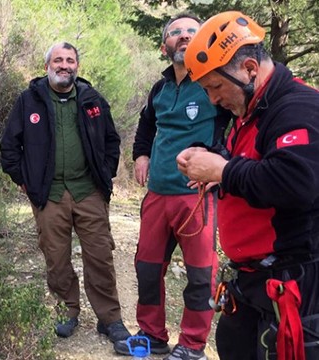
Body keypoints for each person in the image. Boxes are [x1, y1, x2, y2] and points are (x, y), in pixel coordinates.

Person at [178, 11, 319, 360]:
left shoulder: (299, 108)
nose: (212, 100)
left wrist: (223, 171)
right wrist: (213, 167)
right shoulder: (252, 109)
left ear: (250, 70)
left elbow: (295, 182)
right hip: (253, 280)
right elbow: (254, 164)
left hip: (295, 280)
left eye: (215, 87)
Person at [113, 14, 231, 360]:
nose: (183, 36)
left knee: (199, 274)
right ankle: (152, 335)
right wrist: (141, 155)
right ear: (165, 46)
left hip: (197, 197)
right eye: (175, 32)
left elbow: (233, 129)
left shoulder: (214, 82)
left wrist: (219, 164)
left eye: (191, 32)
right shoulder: (160, 88)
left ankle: (192, 345)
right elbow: (146, 125)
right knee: (147, 268)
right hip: (157, 195)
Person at [0, 42, 130, 342]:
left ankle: (109, 319)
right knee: (56, 258)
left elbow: (112, 141)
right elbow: (9, 146)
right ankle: (67, 312)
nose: (64, 65)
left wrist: (104, 173)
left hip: (89, 192)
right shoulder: (29, 100)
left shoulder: (92, 98)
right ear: (47, 65)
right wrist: (24, 179)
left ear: (77, 67)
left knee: (99, 256)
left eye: (70, 60)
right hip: (49, 195)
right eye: (58, 60)